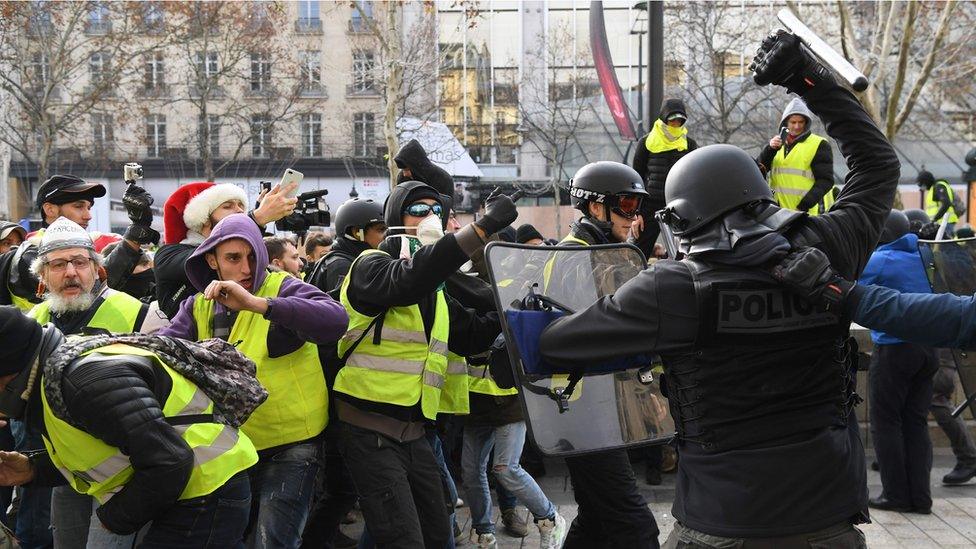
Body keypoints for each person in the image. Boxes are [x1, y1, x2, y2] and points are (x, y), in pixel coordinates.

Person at [539, 31, 900, 547]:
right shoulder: (830, 247)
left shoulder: (671, 287)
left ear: (685, 219)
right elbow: (878, 163)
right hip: (831, 519)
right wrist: (808, 79)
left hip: (723, 522)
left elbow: (556, 344)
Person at [332, 180, 518, 548]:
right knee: (403, 538)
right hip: (368, 429)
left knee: (439, 533)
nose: (430, 217)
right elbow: (409, 279)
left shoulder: (437, 291)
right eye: (418, 210)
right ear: (393, 221)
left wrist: (517, 311)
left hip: (416, 432)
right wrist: (480, 228)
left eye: (436, 210)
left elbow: (472, 335)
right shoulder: (370, 265)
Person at [159, 213, 348, 548]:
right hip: (228, 450)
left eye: (252, 257)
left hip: (291, 446)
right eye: (233, 258)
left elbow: (335, 320)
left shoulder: (282, 286)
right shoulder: (196, 306)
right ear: (211, 260)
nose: (245, 270)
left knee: (273, 541)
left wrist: (259, 305)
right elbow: (161, 353)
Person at [0, 307, 259, 548]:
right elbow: (109, 452)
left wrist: (113, 519)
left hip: (206, 491)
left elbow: (170, 460)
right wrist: (33, 469)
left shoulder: (85, 383)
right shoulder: (55, 373)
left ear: (9, 374)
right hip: (186, 491)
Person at [18, 217, 169, 549]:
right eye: (58, 264)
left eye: (80, 262)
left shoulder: (139, 314)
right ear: (42, 276)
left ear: (98, 270)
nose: (71, 272)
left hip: (127, 475)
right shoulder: (31, 326)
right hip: (67, 471)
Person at [544, 161, 659, 548]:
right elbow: (592, 331)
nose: (635, 216)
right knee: (636, 526)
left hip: (596, 405)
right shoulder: (575, 256)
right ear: (596, 207)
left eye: (638, 205)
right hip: (583, 409)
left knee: (596, 516)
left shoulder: (605, 251)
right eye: (627, 204)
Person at [301, 197, 385, 549]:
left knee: (345, 484)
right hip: (341, 386)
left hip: (337, 384)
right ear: (357, 232)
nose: (384, 237)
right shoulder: (345, 267)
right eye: (380, 230)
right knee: (345, 484)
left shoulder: (341, 261)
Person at [857, 210, 938, 513]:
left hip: (895, 348)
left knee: (886, 422)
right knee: (916, 422)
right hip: (929, 347)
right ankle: (921, 498)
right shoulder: (923, 252)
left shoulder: (881, 259)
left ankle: (895, 496)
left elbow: (846, 283)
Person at [154, 181, 297, 318]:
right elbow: (199, 262)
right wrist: (256, 220)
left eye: (241, 205)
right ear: (204, 219)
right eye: (228, 206)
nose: (240, 210)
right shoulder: (168, 255)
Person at [631, 98, 698, 258]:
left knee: (685, 252)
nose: (675, 125)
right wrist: (636, 213)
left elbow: (695, 177)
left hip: (680, 205)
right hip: (650, 204)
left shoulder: (689, 145)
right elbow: (636, 178)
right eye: (672, 120)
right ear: (663, 119)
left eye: (679, 121)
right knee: (640, 251)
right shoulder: (646, 142)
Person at [757, 97, 835, 216]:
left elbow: (826, 181)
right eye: (793, 122)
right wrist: (770, 149)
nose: (797, 126)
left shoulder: (819, 144)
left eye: (801, 122)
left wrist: (804, 206)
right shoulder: (777, 144)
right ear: (785, 123)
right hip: (777, 213)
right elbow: (759, 170)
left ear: (806, 123)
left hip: (804, 214)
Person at [306, 198, 386, 295]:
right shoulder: (341, 266)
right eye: (381, 229)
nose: (386, 235)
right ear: (357, 233)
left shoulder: (354, 259)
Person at [917, 170, 961, 235]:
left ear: (925, 181)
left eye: (921, 184)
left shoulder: (939, 186)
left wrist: (935, 219)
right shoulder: (933, 188)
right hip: (939, 222)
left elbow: (946, 203)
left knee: (942, 244)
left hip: (944, 222)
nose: (921, 187)